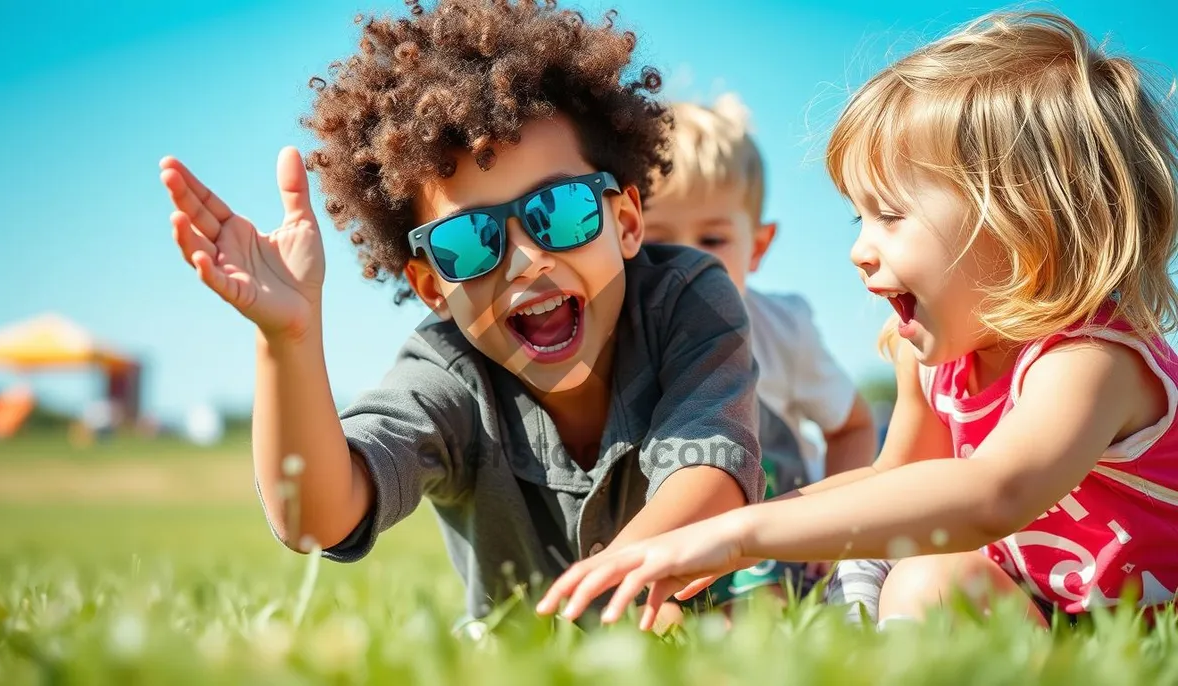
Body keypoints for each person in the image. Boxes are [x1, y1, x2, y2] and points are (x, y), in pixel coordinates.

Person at [535, 10, 1178, 632]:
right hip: (1038, 617)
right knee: (930, 580)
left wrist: (738, 535)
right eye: (858, 219)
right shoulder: (933, 361)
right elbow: (892, 484)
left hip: (1144, 633)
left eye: (891, 215)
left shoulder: (1092, 362)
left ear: (1025, 227)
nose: (859, 250)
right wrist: (724, 532)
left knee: (928, 579)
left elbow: (993, 493)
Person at [158, 0, 765, 627]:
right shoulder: (447, 373)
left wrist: (603, 592)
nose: (527, 260)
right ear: (432, 287)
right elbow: (318, 517)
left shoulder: (687, 298)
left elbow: (708, 471)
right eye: (471, 242)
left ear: (627, 221)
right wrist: (288, 339)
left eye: (560, 211)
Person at [642, 94, 876, 605]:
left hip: (782, 529)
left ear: (759, 246)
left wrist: (833, 525)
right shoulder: (624, 335)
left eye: (712, 238)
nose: (686, 263)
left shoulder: (783, 328)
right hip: (686, 543)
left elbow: (853, 426)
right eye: (659, 243)